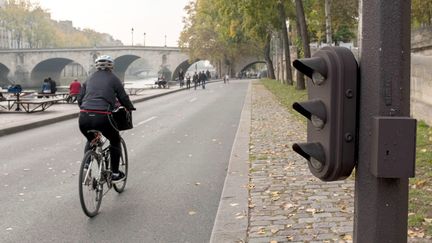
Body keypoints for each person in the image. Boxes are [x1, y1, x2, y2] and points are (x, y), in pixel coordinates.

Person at [78, 55, 135, 182]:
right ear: (111, 67)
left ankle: (86, 167)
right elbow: (123, 97)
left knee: (91, 139)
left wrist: (85, 109)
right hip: (103, 116)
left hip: (84, 116)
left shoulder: (89, 79)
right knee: (115, 140)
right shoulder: (114, 79)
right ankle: (115, 173)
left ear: (96, 66)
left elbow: (80, 98)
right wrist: (130, 108)